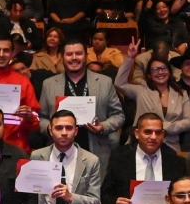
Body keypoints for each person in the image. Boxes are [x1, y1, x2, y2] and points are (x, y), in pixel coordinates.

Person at [105, 113, 186, 204]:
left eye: (158, 132)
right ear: (137, 133)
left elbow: (185, 195)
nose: (153, 137)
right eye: (148, 132)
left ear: (163, 135)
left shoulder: (176, 163)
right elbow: (104, 196)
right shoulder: (119, 161)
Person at [38, 38, 125, 166]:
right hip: (59, 151)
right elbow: (41, 117)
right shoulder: (49, 84)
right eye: (69, 54)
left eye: (78, 53)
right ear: (62, 57)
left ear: (86, 56)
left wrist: (102, 127)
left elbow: (118, 115)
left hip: (96, 149)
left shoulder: (104, 82)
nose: (74, 58)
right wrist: (50, 128)